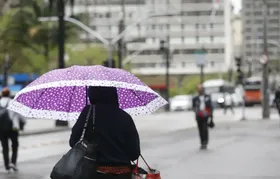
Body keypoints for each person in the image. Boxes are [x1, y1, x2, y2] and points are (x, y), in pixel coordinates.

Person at [69, 86, 140, 179]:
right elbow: (134, 153)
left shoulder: (88, 113)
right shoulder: (125, 117)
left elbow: (73, 142)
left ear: (92, 93)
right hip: (123, 174)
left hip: (94, 173)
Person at [0, 87, 25, 173]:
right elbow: (21, 117)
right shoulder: (14, 103)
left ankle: (7, 165)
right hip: (14, 128)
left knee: (5, 147)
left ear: (2, 94)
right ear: (9, 94)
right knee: (14, 146)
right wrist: (22, 124)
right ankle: (13, 163)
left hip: (2, 128)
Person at [192, 84, 214, 150]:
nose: (200, 90)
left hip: (206, 115)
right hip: (199, 115)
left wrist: (210, 115)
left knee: (205, 129)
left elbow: (210, 106)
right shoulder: (195, 98)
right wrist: (197, 111)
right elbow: (193, 107)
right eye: (199, 89)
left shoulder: (207, 97)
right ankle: (202, 142)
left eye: (201, 88)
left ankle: (205, 142)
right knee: (200, 129)